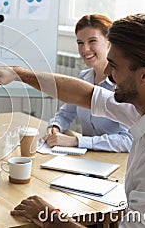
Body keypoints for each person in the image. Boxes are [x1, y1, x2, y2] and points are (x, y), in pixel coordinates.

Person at [0, 13, 145, 227]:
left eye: (114, 66)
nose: (107, 72)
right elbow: (86, 95)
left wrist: (50, 216)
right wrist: (17, 73)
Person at [44, 14, 132, 152]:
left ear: (109, 42)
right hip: (86, 158)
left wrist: (76, 141)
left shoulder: (123, 86)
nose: (85, 49)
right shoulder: (84, 77)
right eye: (80, 43)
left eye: (92, 41)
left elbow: (128, 140)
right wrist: (54, 127)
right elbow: (66, 113)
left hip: (113, 161)